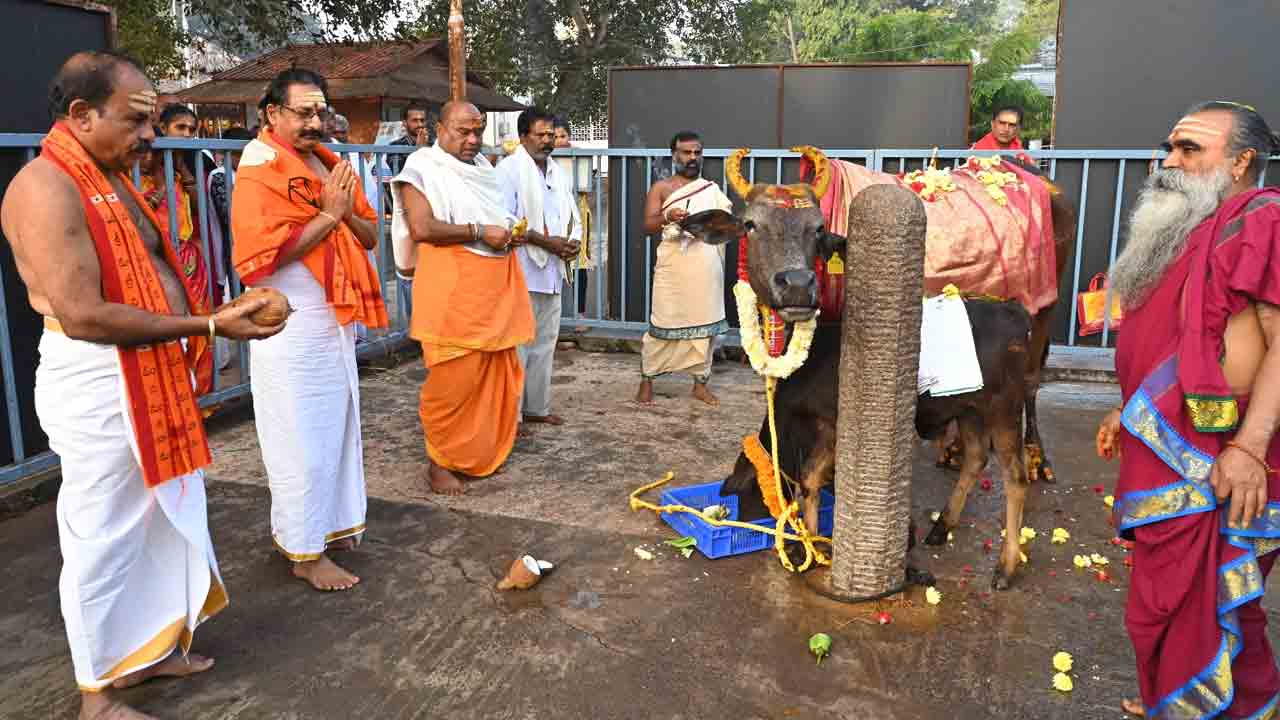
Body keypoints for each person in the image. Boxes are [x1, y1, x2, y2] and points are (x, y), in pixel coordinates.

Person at [0, 50, 282, 720]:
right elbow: (84, 313)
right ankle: (96, 692)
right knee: (104, 531)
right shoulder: (46, 185)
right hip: (98, 378)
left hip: (149, 370)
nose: (150, 136)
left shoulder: (110, 174)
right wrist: (210, 325)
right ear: (81, 113)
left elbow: (155, 266)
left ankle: (147, 652)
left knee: (162, 519)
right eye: (135, 121)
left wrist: (214, 316)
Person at [1095, 101, 1280, 719]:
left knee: (1225, 607)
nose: (1169, 161)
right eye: (1170, 147)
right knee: (1160, 605)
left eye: (1190, 149)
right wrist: (1129, 413)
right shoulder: (1183, 229)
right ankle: (1179, 701)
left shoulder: (1262, 218)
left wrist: (1250, 447)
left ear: (1240, 161)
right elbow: (1175, 346)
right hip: (1171, 448)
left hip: (1229, 457)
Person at [231, 68, 388, 591]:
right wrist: (328, 216)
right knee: (297, 436)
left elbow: (367, 234)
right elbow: (259, 259)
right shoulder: (259, 167)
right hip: (288, 322)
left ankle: (334, 527)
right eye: (304, 112)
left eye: (321, 112)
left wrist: (339, 214)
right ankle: (303, 551)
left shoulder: (329, 163)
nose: (315, 122)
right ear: (272, 114)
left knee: (336, 430)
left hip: (332, 319)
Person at [391, 101, 536, 495]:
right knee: (453, 383)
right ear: (440, 128)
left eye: (478, 131)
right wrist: (478, 231)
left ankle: (479, 451)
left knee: (495, 373)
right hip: (453, 289)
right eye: (463, 131)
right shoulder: (422, 168)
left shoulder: (484, 169)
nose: (473, 139)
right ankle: (439, 463)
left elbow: (495, 219)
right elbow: (422, 227)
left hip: (494, 285)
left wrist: (507, 232)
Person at [496, 107, 582, 428]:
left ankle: (537, 408)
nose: (547, 141)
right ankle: (511, 418)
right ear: (523, 137)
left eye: (550, 135)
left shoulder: (557, 172)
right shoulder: (508, 170)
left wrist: (572, 243)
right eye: (540, 135)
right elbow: (503, 220)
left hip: (552, 271)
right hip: (521, 269)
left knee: (545, 343)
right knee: (518, 347)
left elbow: (571, 215)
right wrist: (546, 242)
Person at [635, 131, 732, 406]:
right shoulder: (662, 188)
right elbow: (646, 226)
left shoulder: (711, 189)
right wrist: (668, 216)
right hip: (673, 268)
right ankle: (647, 381)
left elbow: (725, 225)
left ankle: (700, 384)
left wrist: (709, 224)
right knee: (663, 321)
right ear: (674, 154)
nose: (692, 158)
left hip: (705, 264)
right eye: (686, 153)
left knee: (705, 329)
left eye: (697, 152)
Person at [387, 101, 432, 176]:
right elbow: (401, 174)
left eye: (422, 120)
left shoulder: (434, 145)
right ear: (405, 123)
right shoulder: (395, 146)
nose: (420, 124)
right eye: (415, 120)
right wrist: (418, 150)